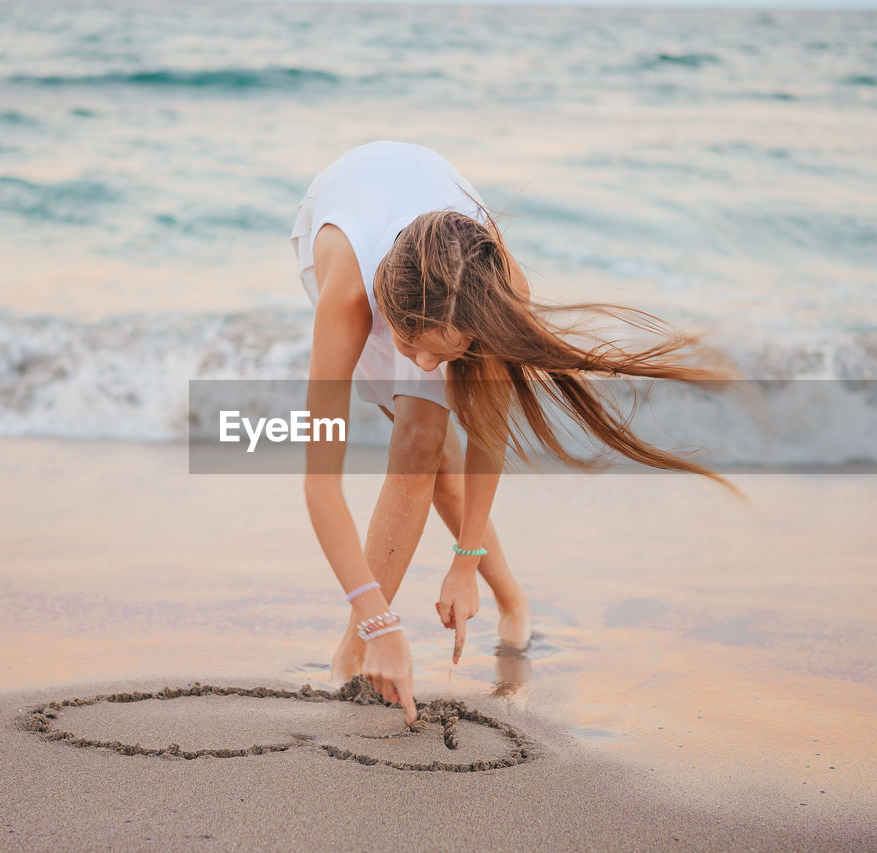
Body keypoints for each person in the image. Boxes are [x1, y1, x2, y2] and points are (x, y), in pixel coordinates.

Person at [290, 140, 742, 727]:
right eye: (410, 350)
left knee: (426, 440)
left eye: (444, 357)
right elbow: (319, 487)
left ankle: (501, 603)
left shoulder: (498, 287)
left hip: (448, 256)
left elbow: (487, 431)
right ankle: (362, 646)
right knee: (428, 454)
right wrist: (381, 621)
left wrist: (463, 560)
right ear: (386, 321)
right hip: (343, 213)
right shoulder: (347, 298)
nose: (428, 371)